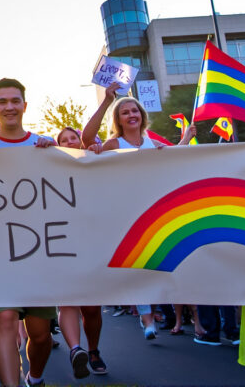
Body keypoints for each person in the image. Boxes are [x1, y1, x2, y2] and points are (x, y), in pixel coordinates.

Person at [80, 82, 197, 347]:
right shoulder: (114, 143)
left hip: (152, 213)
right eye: (125, 112)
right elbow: (87, 140)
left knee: (153, 264)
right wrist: (106, 101)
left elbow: (172, 163)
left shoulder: (153, 143)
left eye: (135, 111)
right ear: (118, 120)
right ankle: (146, 319)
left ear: (142, 116)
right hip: (123, 214)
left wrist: (185, 141)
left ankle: (157, 311)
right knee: (133, 265)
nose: (132, 115)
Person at [0, 78, 56, 387]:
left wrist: (58, 154)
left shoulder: (46, 145)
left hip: (40, 253)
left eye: (14, 100)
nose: (9, 106)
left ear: (24, 106)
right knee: (4, 320)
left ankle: (36, 376)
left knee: (41, 335)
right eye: (2, 102)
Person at [54, 127, 104, 377]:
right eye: (63, 140)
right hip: (60, 242)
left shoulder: (94, 162)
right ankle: (76, 350)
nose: (70, 142)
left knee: (92, 307)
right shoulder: (51, 168)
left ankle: (93, 350)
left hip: (91, 243)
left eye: (73, 137)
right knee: (67, 301)